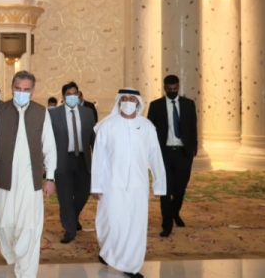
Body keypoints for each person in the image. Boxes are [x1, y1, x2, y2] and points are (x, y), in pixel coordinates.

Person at [0, 70, 57, 278]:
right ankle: (14, 261)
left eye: (26, 90)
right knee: (5, 227)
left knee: (30, 228)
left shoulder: (42, 113)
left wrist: (50, 177)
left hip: (30, 182)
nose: (21, 93)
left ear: (33, 91)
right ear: (12, 88)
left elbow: (50, 148)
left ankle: (26, 272)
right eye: (18, 89)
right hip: (4, 181)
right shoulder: (0, 112)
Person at [91, 88, 166, 278]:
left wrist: (159, 184)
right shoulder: (107, 126)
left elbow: (155, 156)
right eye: (124, 98)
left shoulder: (147, 126)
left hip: (138, 186)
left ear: (138, 103)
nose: (128, 101)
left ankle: (130, 266)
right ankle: (107, 251)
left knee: (135, 224)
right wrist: (96, 185)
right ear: (118, 102)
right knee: (111, 222)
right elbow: (98, 157)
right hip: (111, 184)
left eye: (132, 98)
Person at [147, 75, 198, 238]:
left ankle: (174, 212)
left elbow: (193, 127)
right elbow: (150, 131)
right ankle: (166, 224)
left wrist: (193, 149)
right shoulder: (156, 106)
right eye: (169, 90)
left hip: (183, 153)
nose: (172, 92)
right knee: (165, 190)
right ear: (164, 88)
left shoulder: (188, 104)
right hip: (164, 154)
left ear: (179, 87)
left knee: (179, 189)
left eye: (175, 89)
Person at [49, 82, 95, 244]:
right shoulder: (54, 114)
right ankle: (69, 230)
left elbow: (93, 139)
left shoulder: (88, 113)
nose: (72, 96)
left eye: (75, 93)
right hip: (63, 160)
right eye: (69, 94)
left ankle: (72, 217)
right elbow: (48, 141)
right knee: (65, 196)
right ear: (63, 97)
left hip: (83, 160)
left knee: (84, 193)